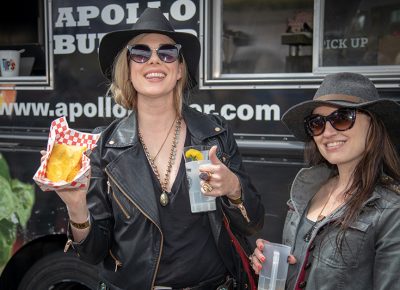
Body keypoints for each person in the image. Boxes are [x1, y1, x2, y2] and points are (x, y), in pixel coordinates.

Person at [48, 8, 264, 290]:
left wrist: (233, 187)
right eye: (140, 52)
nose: (153, 60)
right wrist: (76, 207)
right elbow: (92, 253)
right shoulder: (104, 147)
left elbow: (253, 223)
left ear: (179, 69)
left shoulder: (215, 135)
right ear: (128, 68)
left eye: (167, 53)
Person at [250, 72, 400, 289]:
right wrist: (270, 262)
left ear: (374, 125)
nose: (327, 132)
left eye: (342, 118)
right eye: (317, 123)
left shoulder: (392, 210)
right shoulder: (308, 190)